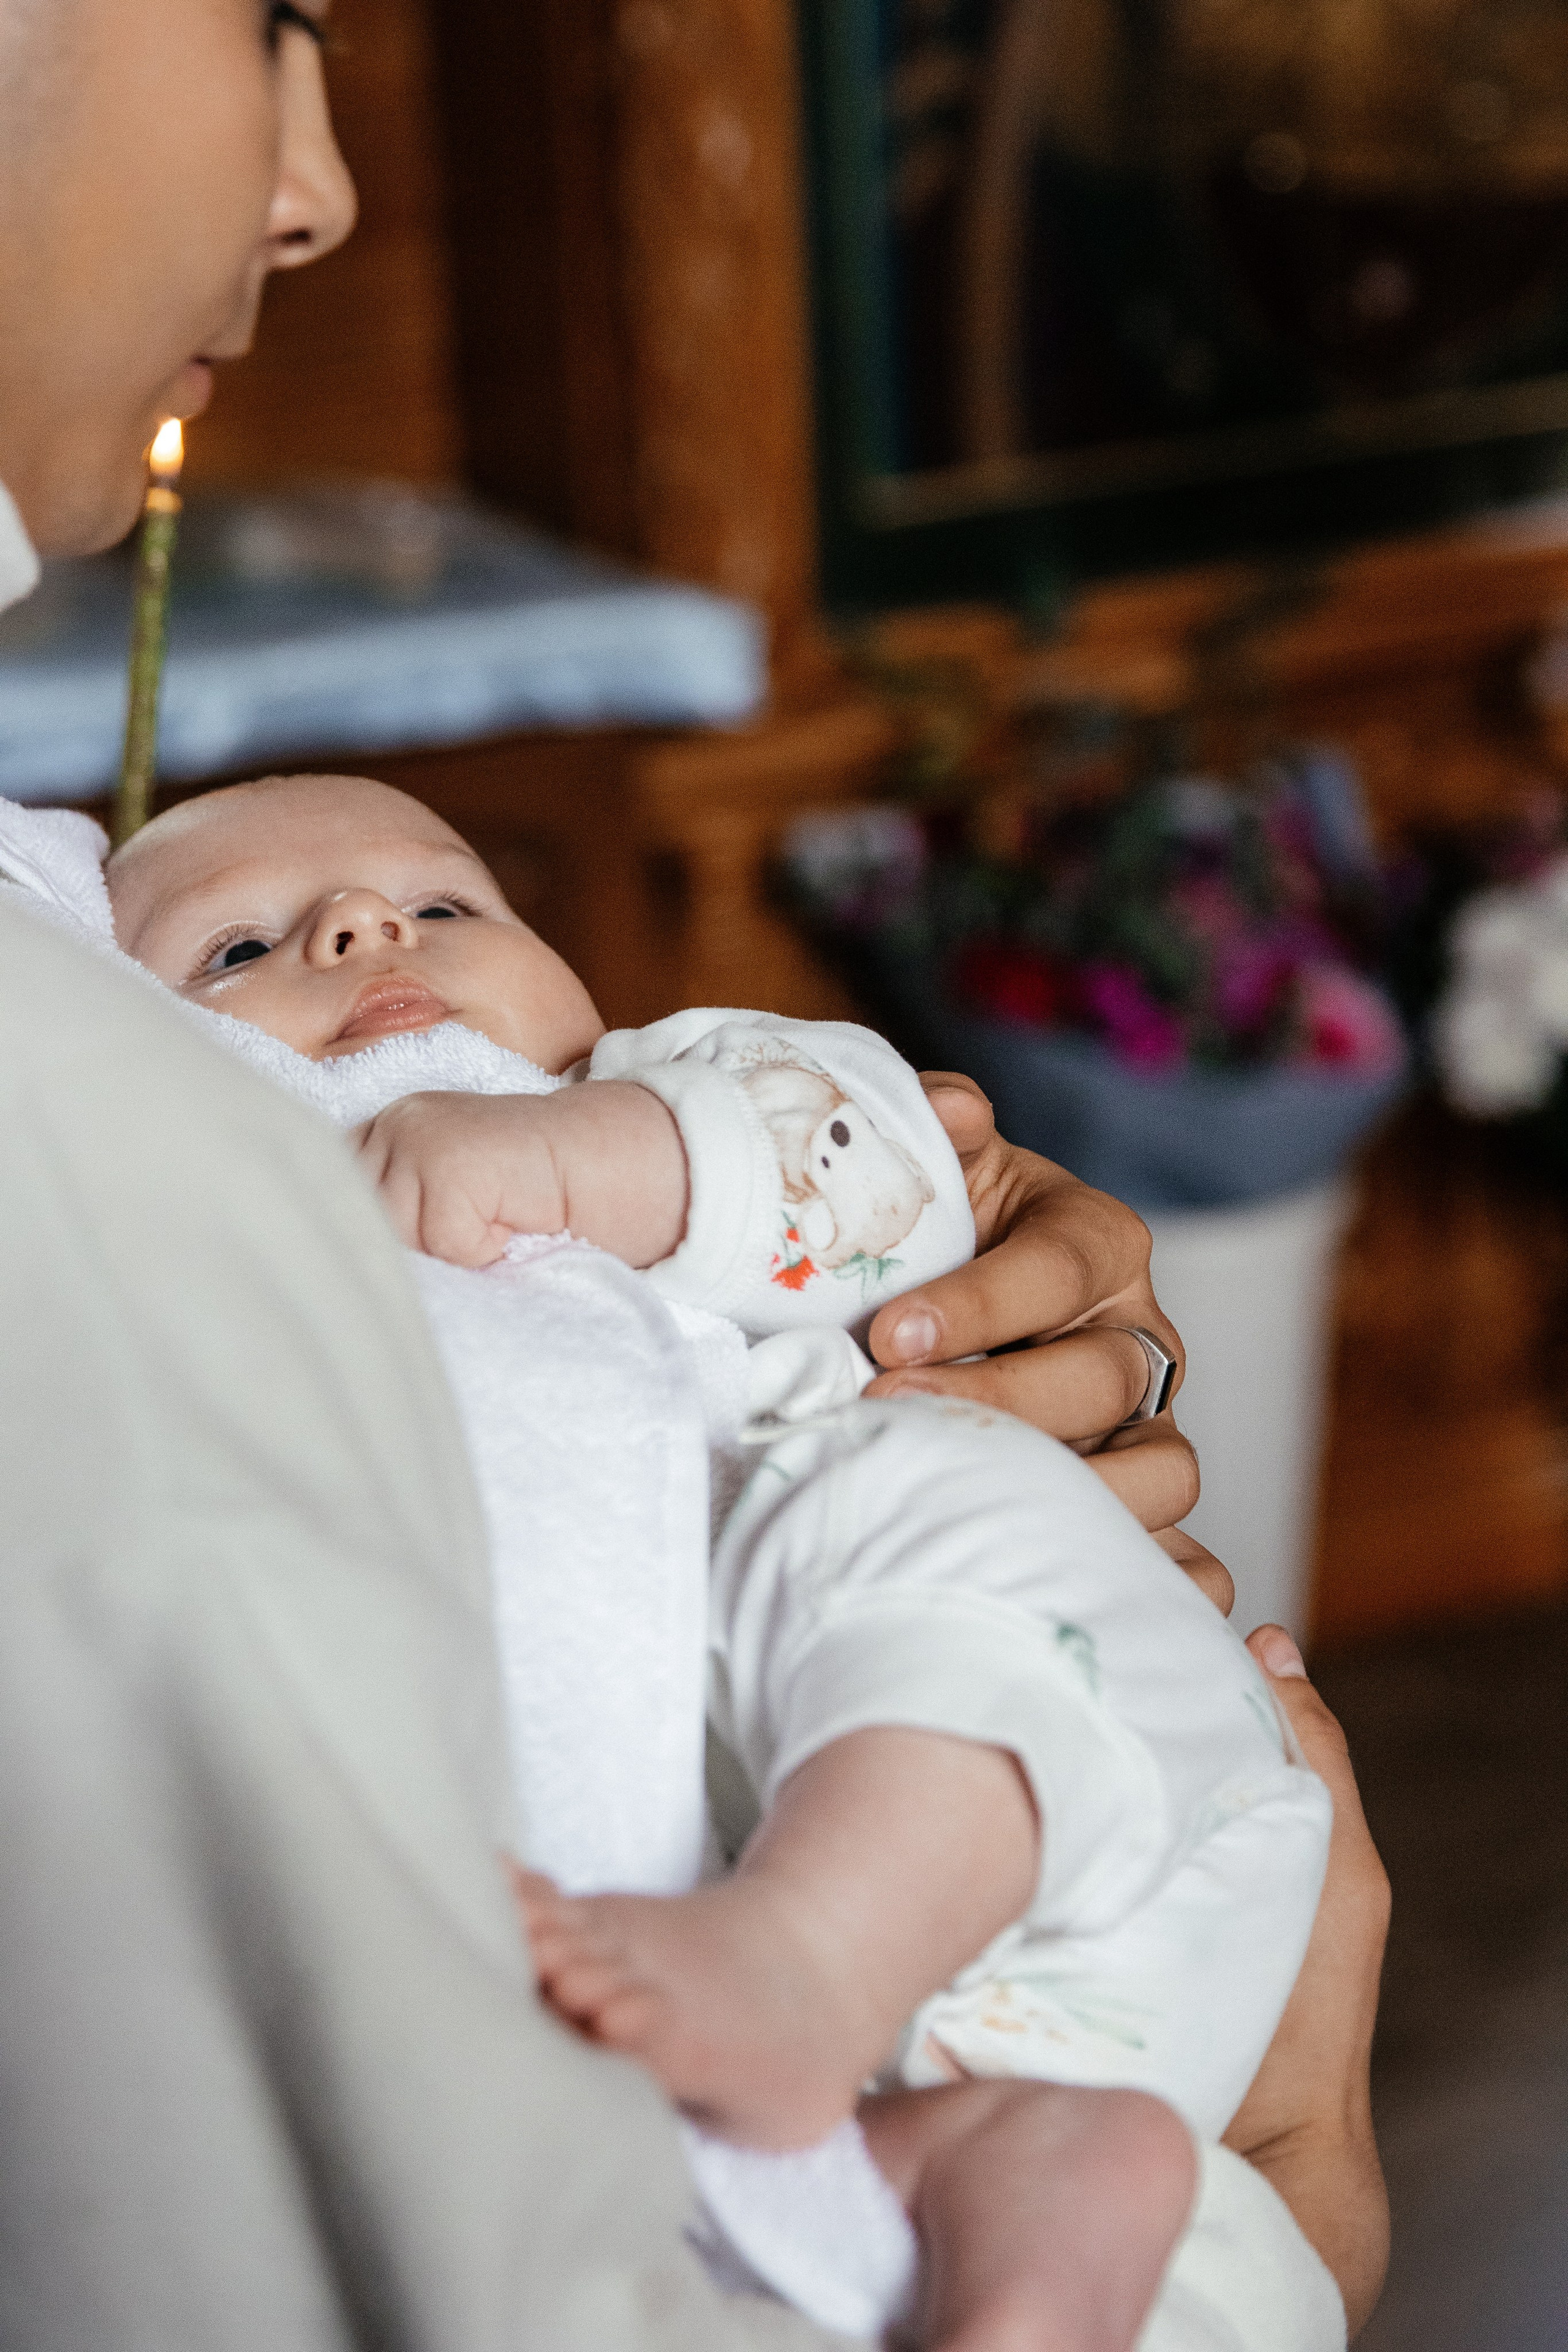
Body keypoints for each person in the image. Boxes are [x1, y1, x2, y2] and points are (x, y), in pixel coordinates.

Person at [0, 2, 1390, 2346]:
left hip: (905, 1683)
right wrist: (1312, 2204)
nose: (316, 180)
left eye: (439, 904)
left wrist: (691, 1184)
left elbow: (841, 1151)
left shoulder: (630, 1076)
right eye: (273, 20)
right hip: (730, 1954)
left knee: (926, 1534)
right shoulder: (125, 1097)